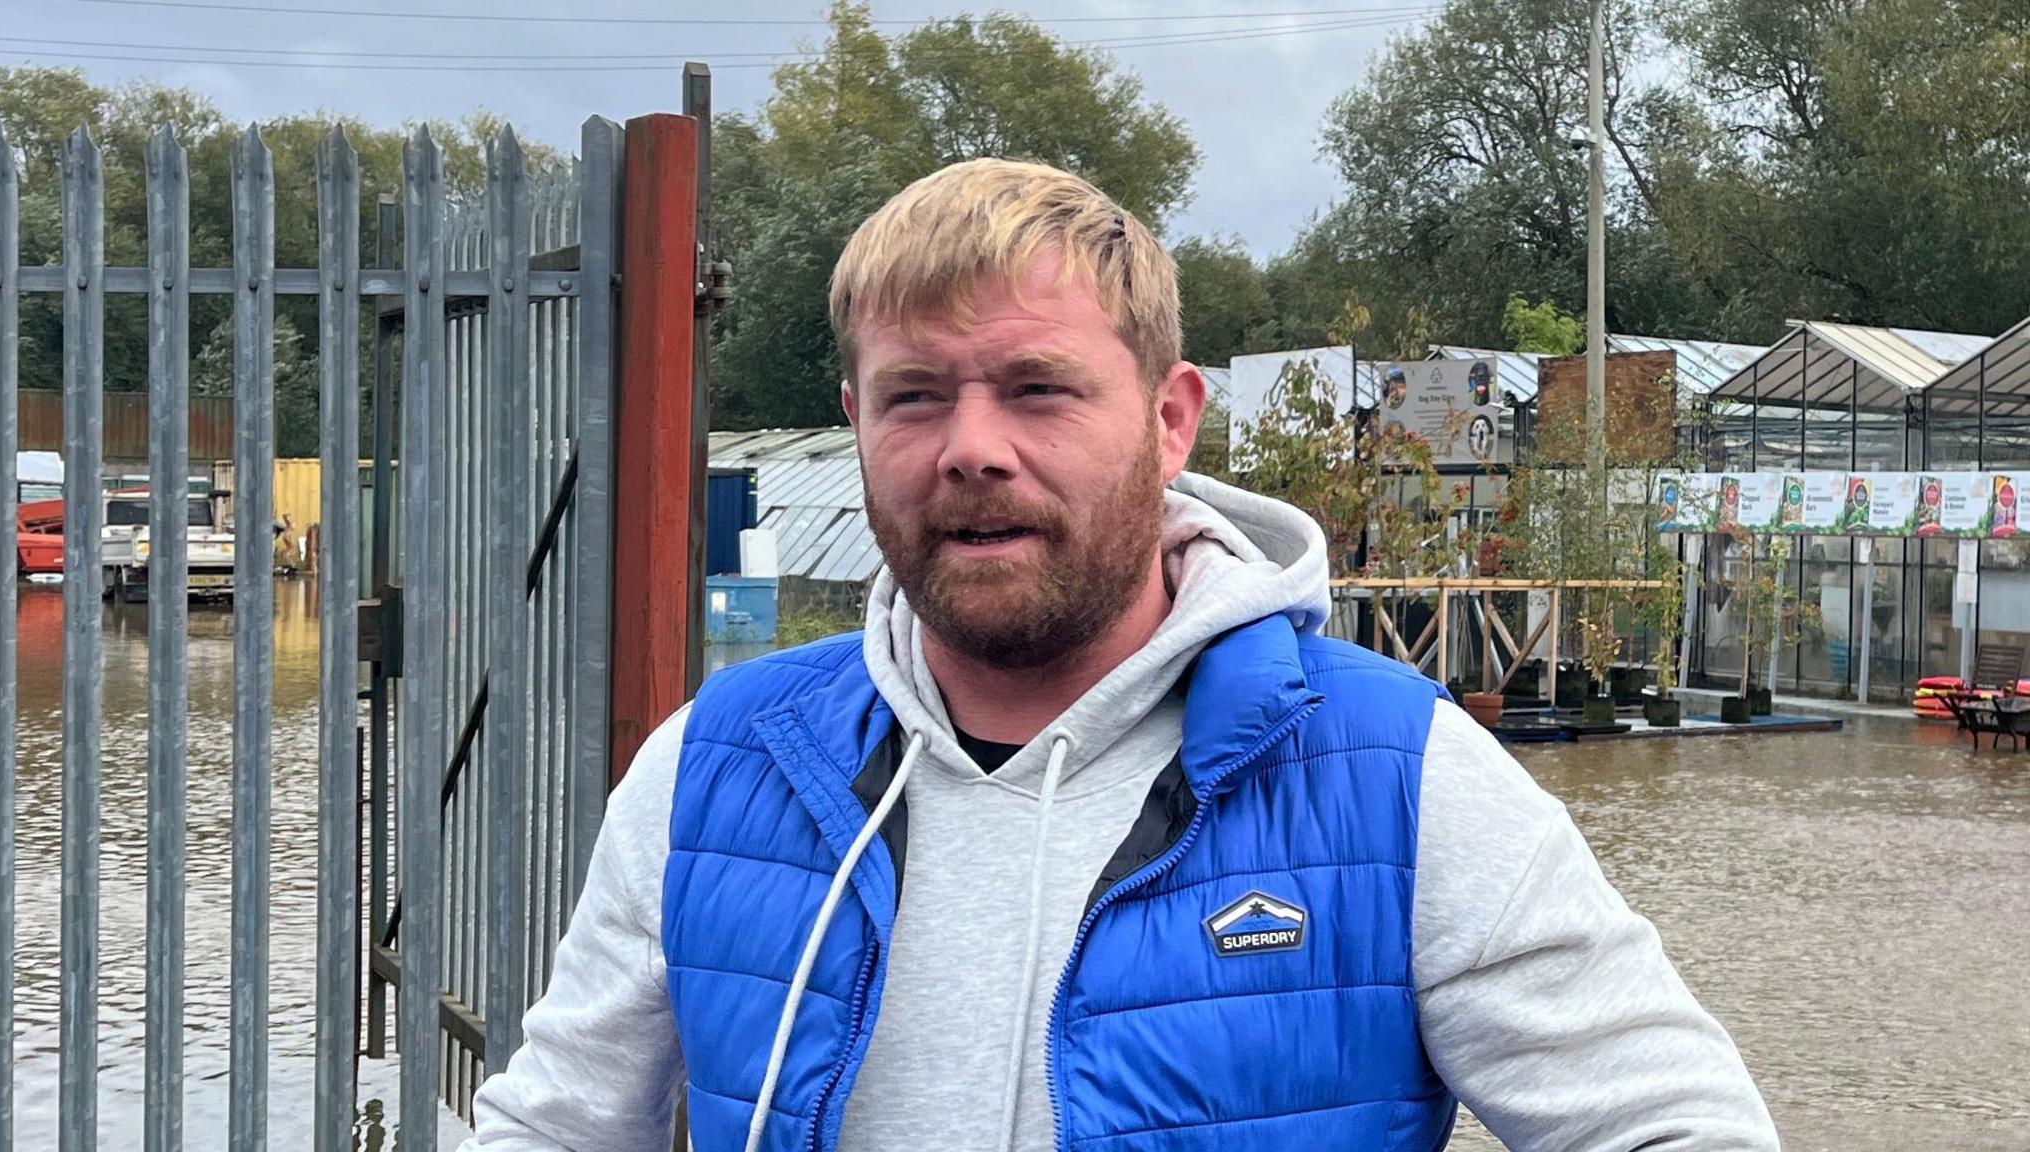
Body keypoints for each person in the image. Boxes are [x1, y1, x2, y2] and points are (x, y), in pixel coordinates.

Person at [463, 159, 1779, 1152]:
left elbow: (1677, 1125)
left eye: (1038, 389)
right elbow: (554, 1124)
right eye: (916, 396)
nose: (971, 447)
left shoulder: (1395, 774)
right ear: (857, 422)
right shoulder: (718, 765)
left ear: (1167, 419)